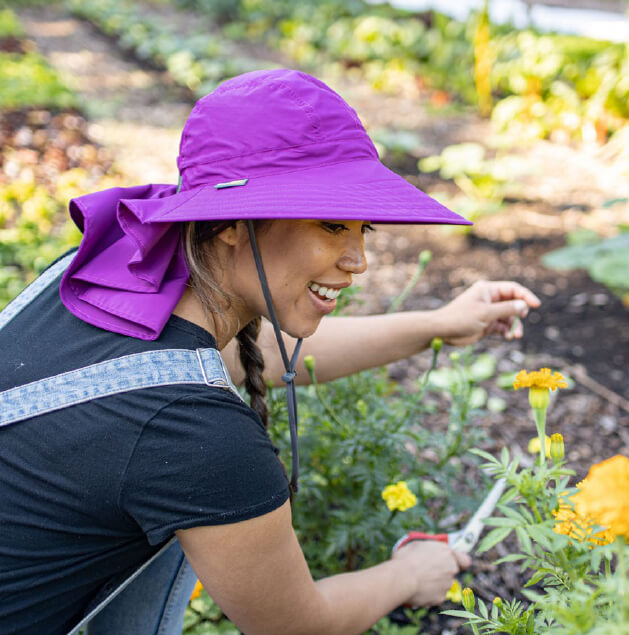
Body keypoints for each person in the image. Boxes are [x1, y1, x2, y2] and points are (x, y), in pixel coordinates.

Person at [0, 69, 540, 635]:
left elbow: (242, 360)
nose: (358, 260)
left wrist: (438, 324)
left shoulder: (106, 275)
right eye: (332, 225)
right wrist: (410, 574)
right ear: (232, 222)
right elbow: (296, 626)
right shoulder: (195, 436)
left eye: (364, 229)